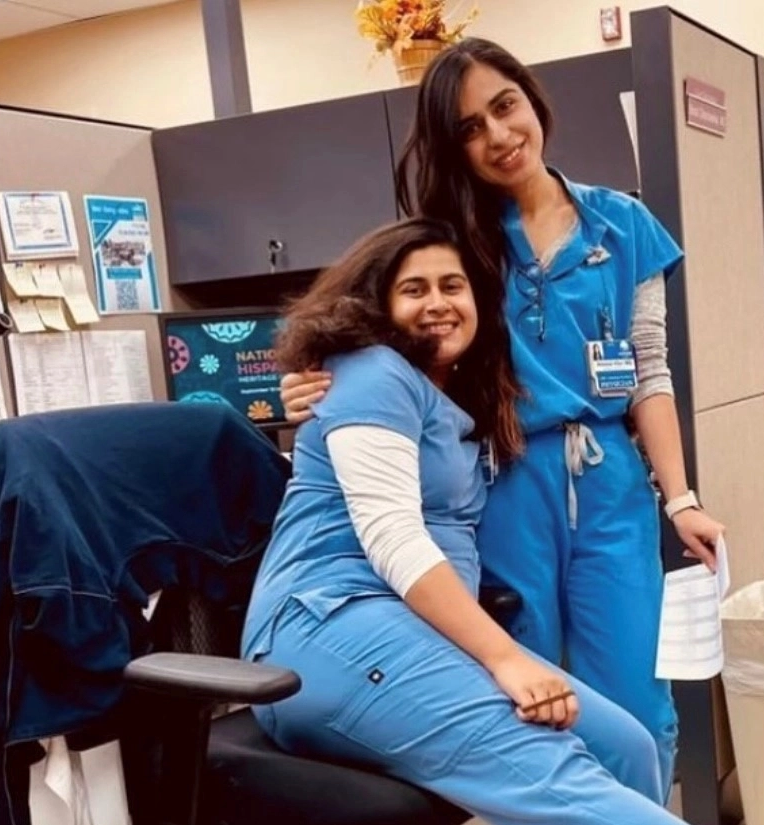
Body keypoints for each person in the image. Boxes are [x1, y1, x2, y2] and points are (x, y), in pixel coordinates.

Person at [279, 37, 725, 794]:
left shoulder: (623, 224)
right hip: (502, 478)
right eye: (470, 128)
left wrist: (680, 497)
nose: (498, 135)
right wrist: (316, 380)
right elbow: (387, 337)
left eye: (504, 106)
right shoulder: (459, 239)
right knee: (530, 696)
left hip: (611, 484)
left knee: (635, 703)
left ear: (532, 99)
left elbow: (650, 368)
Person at [242, 218, 685, 825]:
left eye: (452, 286)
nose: (438, 304)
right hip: (326, 632)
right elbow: (392, 537)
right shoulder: (372, 373)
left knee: (627, 747)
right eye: (413, 289)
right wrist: (506, 658)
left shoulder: (455, 402)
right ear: (378, 305)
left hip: (410, 632)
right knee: (574, 785)